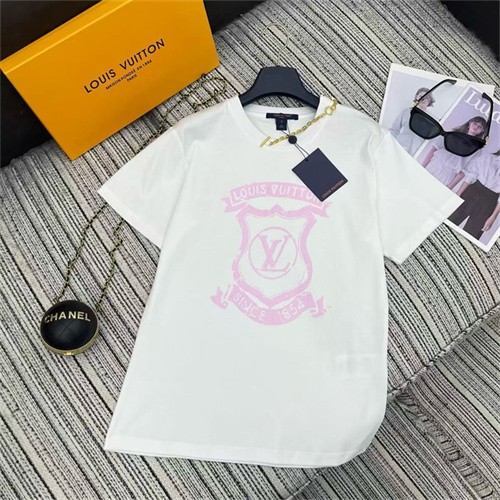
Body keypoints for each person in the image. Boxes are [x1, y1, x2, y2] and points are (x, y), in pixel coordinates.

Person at [448, 149, 500, 240]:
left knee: (471, 236)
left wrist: (493, 217)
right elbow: (471, 176)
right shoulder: (487, 157)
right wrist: (458, 193)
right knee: (450, 220)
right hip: (472, 192)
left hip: (489, 202)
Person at [421, 116, 487, 187]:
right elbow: (433, 149)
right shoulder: (452, 134)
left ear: (482, 131)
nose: (476, 127)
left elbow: (464, 171)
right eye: (475, 123)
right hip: (434, 165)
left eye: (480, 127)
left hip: (447, 176)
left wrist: (450, 187)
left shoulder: (477, 149)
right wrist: (422, 166)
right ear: (469, 123)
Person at [389, 87, 435, 156]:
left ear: (430, 101)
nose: (423, 99)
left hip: (415, 154)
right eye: (421, 96)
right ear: (416, 97)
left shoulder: (431, 120)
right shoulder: (406, 112)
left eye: (427, 98)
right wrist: (391, 144)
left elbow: (430, 141)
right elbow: (394, 129)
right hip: (398, 147)